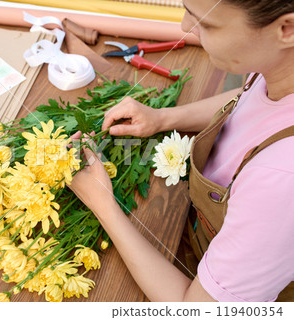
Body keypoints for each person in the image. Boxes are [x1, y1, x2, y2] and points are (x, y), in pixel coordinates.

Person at [69, 0, 294, 302]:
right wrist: (164, 118)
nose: (184, 27)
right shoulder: (277, 71)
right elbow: (249, 96)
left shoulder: (280, 181)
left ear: (287, 29)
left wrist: (103, 204)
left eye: (207, 23)